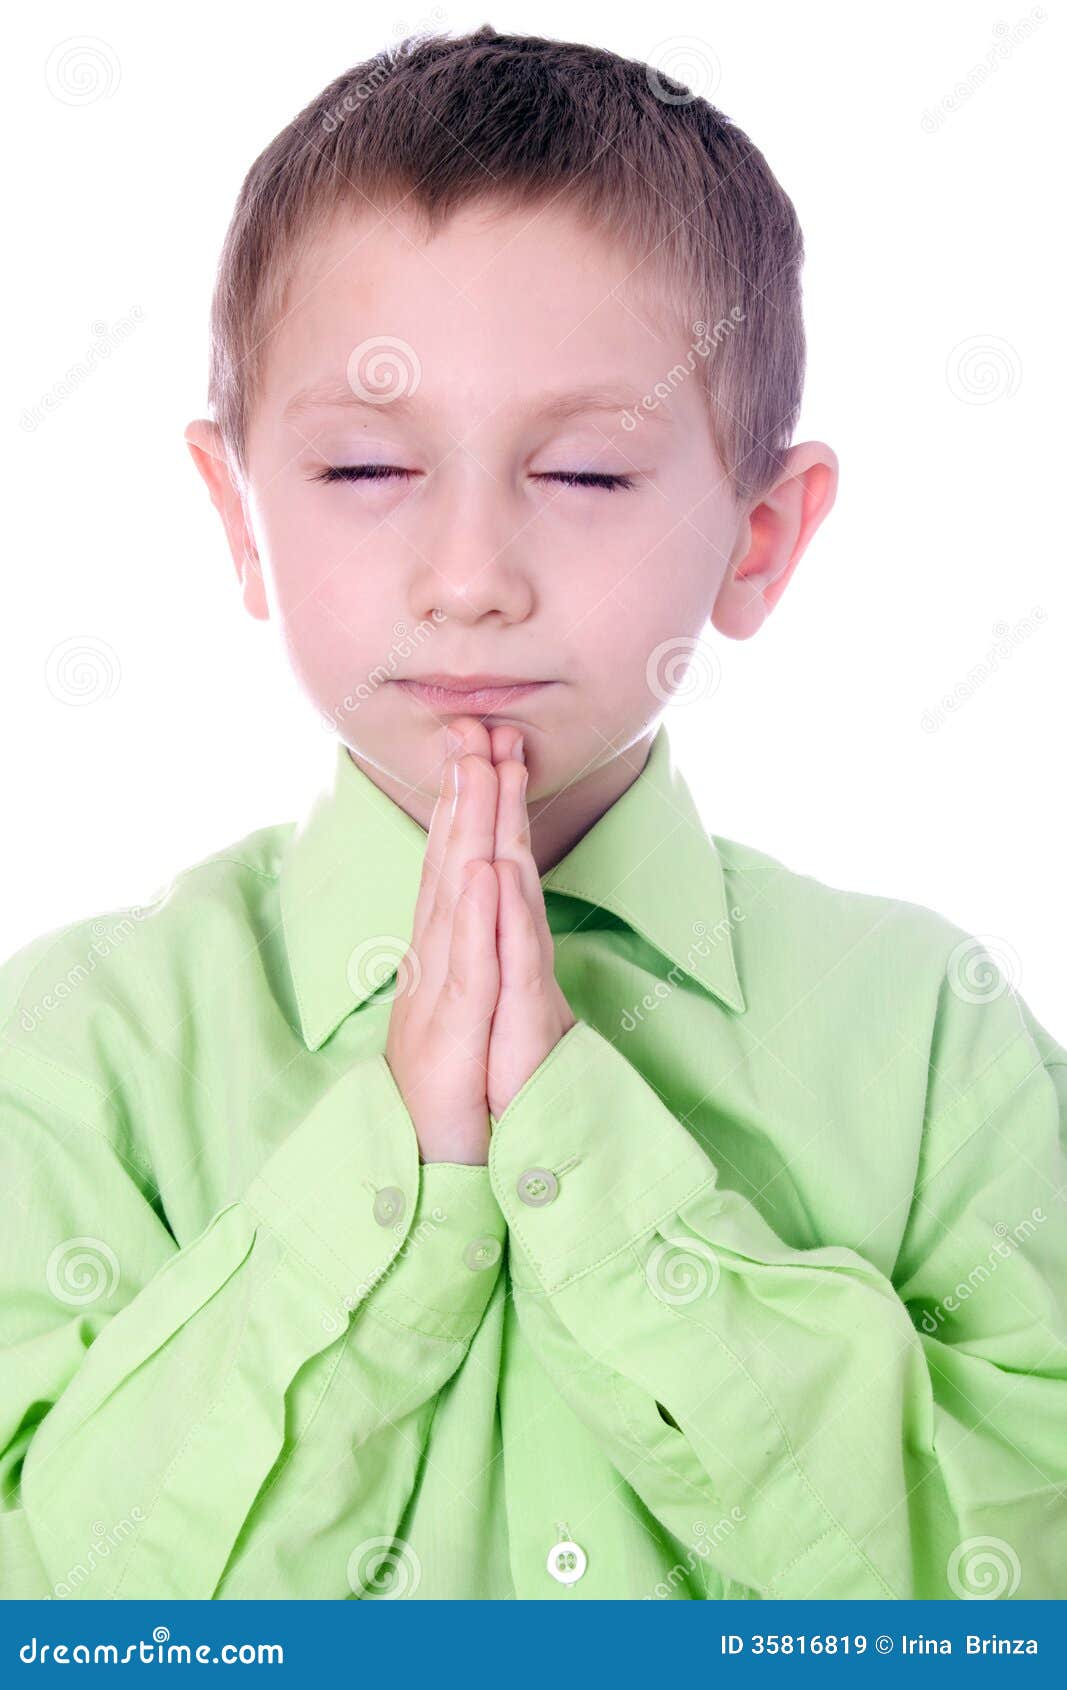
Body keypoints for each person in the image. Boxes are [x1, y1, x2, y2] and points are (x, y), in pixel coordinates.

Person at [2, 25, 1064, 1601]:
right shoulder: (75, 1045)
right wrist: (397, 1163)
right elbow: (57, 1604)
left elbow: (1012, 1582)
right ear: (239, 519)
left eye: (581, 477)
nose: (471, 578)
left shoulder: (937, 1041)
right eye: (367, 467)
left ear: (760, 538)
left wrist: (593, 1166)